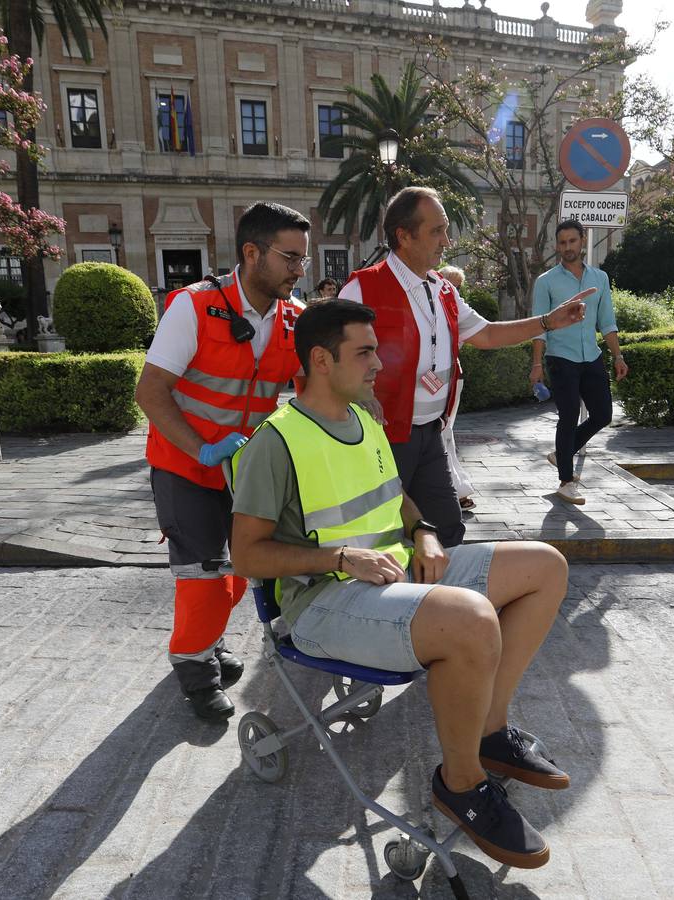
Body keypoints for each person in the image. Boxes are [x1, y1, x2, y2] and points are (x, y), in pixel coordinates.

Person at [230, 300, 572, 870]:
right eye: (364, 352)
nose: (378, 363)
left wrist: (426, 533)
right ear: (320, 359)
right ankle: (460, 784)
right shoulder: (276, 441)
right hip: (325, 603)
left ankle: (489, 732)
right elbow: (245, 555)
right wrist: (341, 557)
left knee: (545, 565)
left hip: (397, 573)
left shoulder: (362, 418)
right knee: (469, 619)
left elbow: (397, 498)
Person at [338, 186, 592, 546]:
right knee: (379, 536)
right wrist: (359, 393)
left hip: (431, 434)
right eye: (437, 230)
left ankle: (438, 597)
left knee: (448, 531)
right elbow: (331, 357)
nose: (447, 240)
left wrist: (549, 322)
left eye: (445, 229)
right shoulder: (362, 289)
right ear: (404, 236)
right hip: (382, 437)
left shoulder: (442, 289)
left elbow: (486, 334)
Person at [134, 201, 309, 721]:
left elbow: (311, 394)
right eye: (290, 257)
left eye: (304, 258)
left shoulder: (294, 321)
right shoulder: (192, 307)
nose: (300, 270)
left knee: (240, 570)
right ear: (252, 253)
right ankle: (194, 667)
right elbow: (151, 392)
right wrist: (203, 450)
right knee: (204, 572)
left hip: (247, 471)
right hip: (186, 465)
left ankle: (205, 642)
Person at [530, 219, 627, 505]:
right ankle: (565, 481)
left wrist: (618, 355)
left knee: (603, 415)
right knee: (569, 415)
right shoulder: (546, 281)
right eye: (562, 243)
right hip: (561, 357)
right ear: (557, 245)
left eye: (572, 241)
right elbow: (539, 326)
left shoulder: (600, 278)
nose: (567, 247)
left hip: (592, 356)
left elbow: (607, 322)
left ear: (582, 242)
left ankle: (563, 453)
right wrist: (537, 364)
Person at [435, 264, 477, 511]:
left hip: (448, 376)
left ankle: (455, 491)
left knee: (443, 433)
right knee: (442, 434)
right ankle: (454, 490)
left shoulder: (451, 308)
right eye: (453, 285)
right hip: (440, 376)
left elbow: (481, 333)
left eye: (458, 287)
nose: (456, 291)